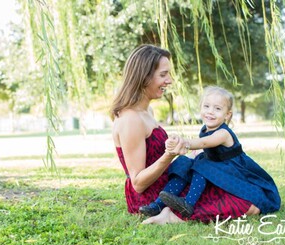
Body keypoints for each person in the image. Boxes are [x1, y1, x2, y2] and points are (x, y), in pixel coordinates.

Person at [111, 45, 260, 224]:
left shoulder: (146, 111)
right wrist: (169, 155)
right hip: (152, 197)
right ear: (145, 76)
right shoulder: (131, 119)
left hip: (170, 184)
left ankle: (174, 209)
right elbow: (138, 183)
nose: (170, 80)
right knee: (250, 205)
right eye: (163, 75)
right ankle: (170, 215)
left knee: (250, 194)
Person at [139, 86, 280, 217]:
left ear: (227, 115)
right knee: (185, 163)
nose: (210, 111)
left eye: (217, 108)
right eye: (206, 106)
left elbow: (204, 142)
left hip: (233, 169)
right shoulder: (206, 128)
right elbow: (204, 148)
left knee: (203, 166)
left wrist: (184, 142)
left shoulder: (223, 133)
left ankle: (188, 203)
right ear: (200, 108)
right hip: (214, 165)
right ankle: (158, 205)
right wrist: (180, 147)